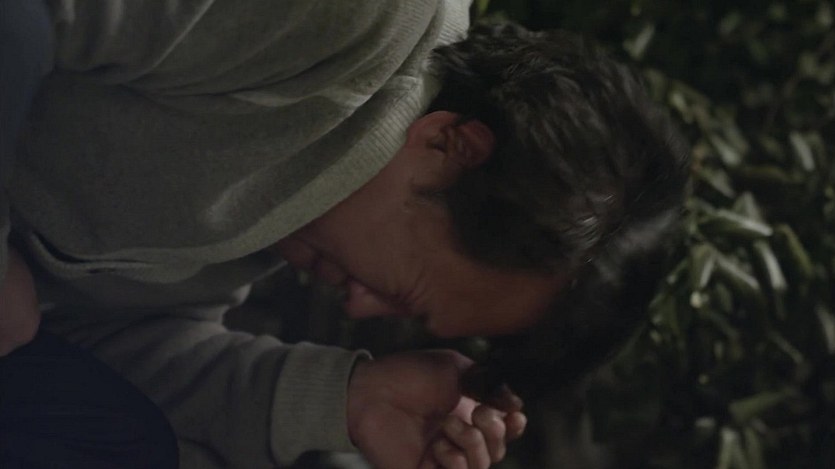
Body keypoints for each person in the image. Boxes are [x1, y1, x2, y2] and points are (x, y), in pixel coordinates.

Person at [0, 1, 690, 468]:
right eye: (405, 291)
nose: (359, 305)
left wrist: (344, 399)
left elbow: (90, 339)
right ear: (449, 147)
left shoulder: (312, 216)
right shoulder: (350, 23)